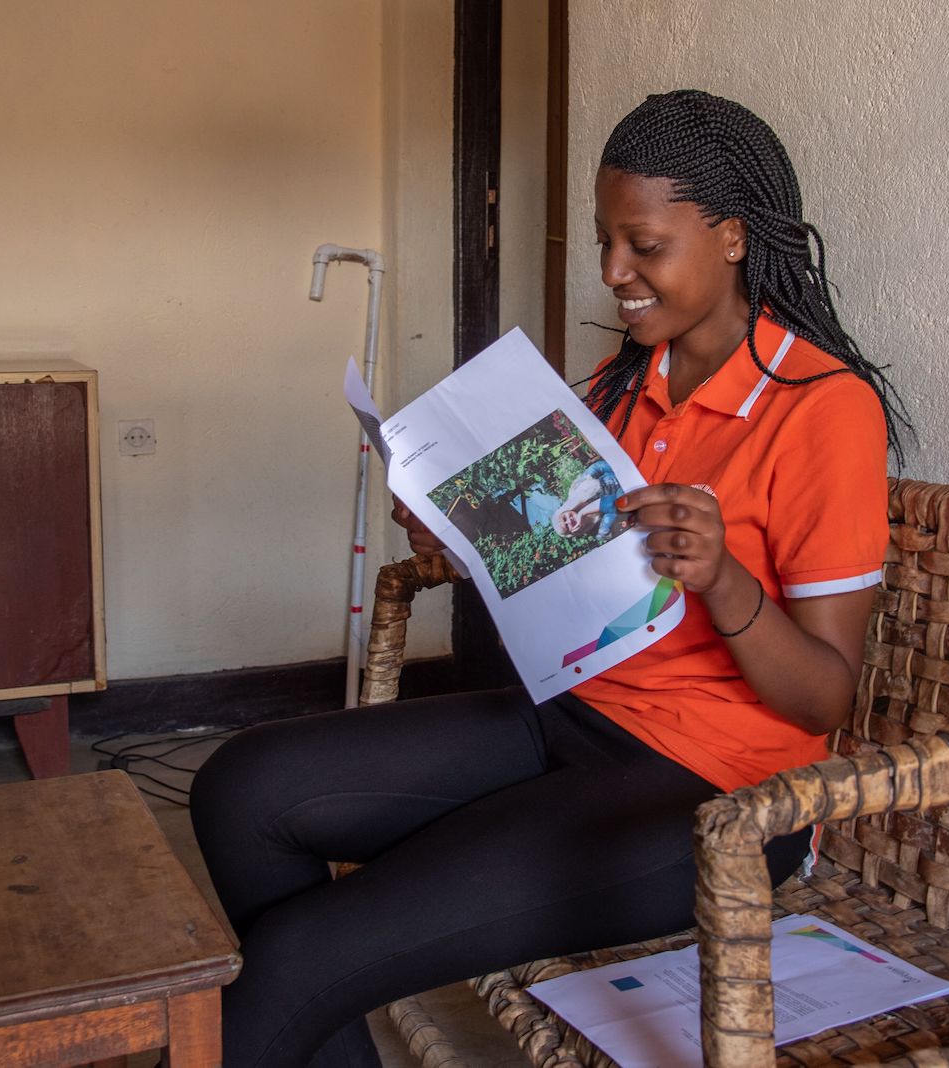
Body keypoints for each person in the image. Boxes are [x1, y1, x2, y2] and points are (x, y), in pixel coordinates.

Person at [190, 90, 906, 1068]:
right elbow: (568, 591)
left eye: (642, 245)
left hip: (719, 794)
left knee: (297, 957)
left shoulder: (821, 407)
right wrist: (463, 535)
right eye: (607, 241)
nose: (614, 272)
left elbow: (824, 693)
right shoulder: (621, 388)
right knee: (242, 790)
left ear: (731, 237)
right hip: (571, 716)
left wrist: (725, 581)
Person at [549, 457, 621, 538]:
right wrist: (582, 513)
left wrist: (617, 469)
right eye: (567, 526)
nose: (569, 521)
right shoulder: (597, 528)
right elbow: (614, 503)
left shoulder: (577, 490)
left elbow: (598, 467)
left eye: (564, 518)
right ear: (572, 532)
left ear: (564, 511)